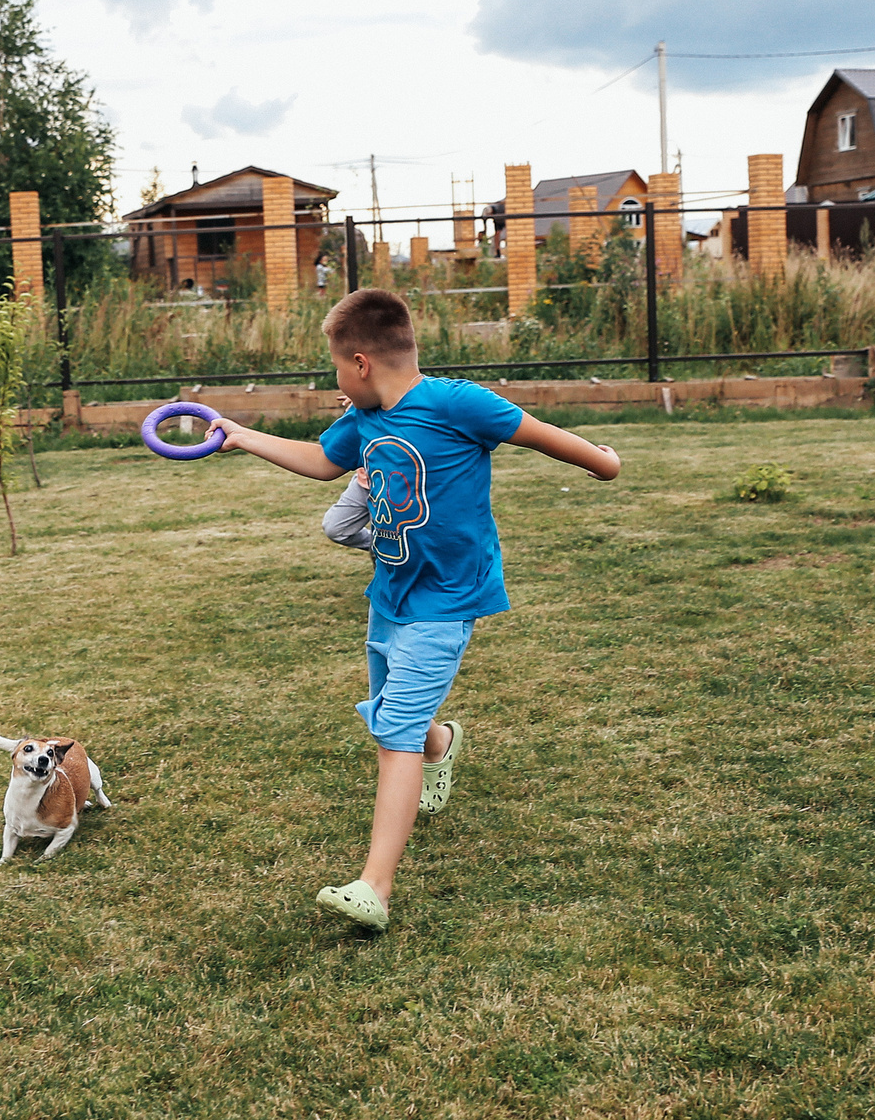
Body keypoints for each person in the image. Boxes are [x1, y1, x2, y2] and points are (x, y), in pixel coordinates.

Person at [212, 287, 621, 930]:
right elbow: (321, 462)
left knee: (393, 731)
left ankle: (374, 886)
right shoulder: (364, 419)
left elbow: (538, 435)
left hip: (446, 601)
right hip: (391, 595)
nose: (337, 380)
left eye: (336, 368)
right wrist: (242, 436)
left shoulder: (458, 403)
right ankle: (442, 741)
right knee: (396, 712)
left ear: (360, 362)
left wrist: (602, 461)